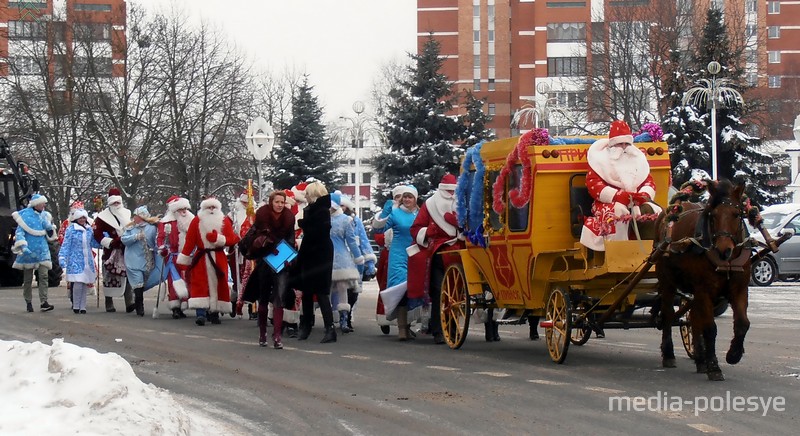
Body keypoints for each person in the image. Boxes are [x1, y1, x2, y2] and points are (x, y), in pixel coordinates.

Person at [580, 120, 663, 251]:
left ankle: (650, 250)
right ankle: (619, 250)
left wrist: (644, 195)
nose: (624, 147)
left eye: (626, 143)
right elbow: (594, 185)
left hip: (635, 200)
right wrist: (618, 196)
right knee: (619, 211)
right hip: (608, 202)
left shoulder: (638, 160)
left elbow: (648, 181)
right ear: (612, 144)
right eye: (620, 144)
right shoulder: (600, 161)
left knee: (652, 209)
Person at [407, 174, 463, 344]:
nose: (451, 194)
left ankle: (452, 328)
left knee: (458, 293)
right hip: (439, 252)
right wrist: (429, 232)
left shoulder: (462, 201)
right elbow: (416, 228)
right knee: (440, 292)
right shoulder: (431, 204)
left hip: (460, 252)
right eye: (448, 191)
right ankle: (439, 329)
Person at [242, 190, 296, 348]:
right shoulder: (262, 216)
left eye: (282, 202)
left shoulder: (289, 218)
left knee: (279, 297)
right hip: (264, 260)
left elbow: (291, 240)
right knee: (263, 297)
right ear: (271, 202)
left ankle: (277, 336)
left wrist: (289, 257)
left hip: (281, 260)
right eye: (277, 202)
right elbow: (252, 238)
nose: (279, 205)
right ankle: (263, 333)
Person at [176, 196, 240, 326]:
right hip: (201, 257)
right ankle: (201, 313)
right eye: (208, 207)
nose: (211, 210)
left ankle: (215, 312)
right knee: (200, 284)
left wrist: (218, 239)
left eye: (214, 207)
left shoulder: (224, 221)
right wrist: (185, 256)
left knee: (219, 284)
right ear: (204, 208)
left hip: (219, 257)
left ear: (218, 208)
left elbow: (232, 239)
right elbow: (190, 240)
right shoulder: (197, 221)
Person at [372, 185, 419, 340]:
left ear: (415, 199)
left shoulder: (420, 214)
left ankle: (408, 325)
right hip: (398, 255)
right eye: (404, 196)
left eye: (409, 197)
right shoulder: (395, 213)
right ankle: (402, 329)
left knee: (413, 291)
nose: (406, 199)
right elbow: (379, 230)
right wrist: (385, 214)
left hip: (414, 254)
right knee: (400, 291)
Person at [294, 181, 336, 343]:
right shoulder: (313, 209)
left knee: (321, 292)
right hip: (311, 252)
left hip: (320, 253)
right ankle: (306, 325)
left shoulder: (322, 210)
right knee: (307, 291)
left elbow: (320, 232)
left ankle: (329, 328)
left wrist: (303, 223)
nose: (305, 196)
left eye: (307, 193)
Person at [12, 193, 57, 312]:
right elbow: (19, 232)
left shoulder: (45, 216)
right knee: (27, 279)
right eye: (43, 203)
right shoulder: (25, 216)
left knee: (44, 276)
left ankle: (44, 301)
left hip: (42, 251)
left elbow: (50, 232)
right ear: (36, 204)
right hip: (29, 251)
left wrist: (50, 230)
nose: (44, 205)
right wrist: (23, 245)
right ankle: (28, 301)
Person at [93, 188, 134, 313]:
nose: (116, 205)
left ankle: (129, 301)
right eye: (114, 203)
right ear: (110, 203)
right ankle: (109, 301)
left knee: (127, 275)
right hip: (111, 250)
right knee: (109, 275)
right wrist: (110, 242)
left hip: (125, 249)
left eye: (118, 202)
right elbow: (97, 234)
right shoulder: (102, 217)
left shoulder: (127, 213)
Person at [339, 193, 376, 332]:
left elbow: (364, 241)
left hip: (356, 261)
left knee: (354, 292)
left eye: (343, 206)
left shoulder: (356, 222)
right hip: (340, 260)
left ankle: (347, 316)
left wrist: (370, 261)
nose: (341, 208)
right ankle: (342, 319)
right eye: (339, 205)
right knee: (342, 291)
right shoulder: (334, 220)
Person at [328, 192, 364, 334]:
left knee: (342, 287)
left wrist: (358, 258)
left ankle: (344, 319)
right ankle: (328, 320)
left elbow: (351, 241)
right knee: (325, 290)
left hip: (341, 258)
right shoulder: (322, 219)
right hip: (325, 256)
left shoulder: (346, 220)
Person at [156, 196, 194, 319]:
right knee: (174, 281)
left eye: (185, 208)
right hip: (172, 256)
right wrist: (162, 248)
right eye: (180, 209)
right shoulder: (166, 222)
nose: (184, 211)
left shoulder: (191, 219)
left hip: (189, 255)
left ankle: (186, 302)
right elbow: (160, 238)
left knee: (189, 279)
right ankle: (176, 307)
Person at [58, 209, 101, 314]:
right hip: (75, 259)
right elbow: (66, 244)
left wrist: (102, 239)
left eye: (84, 218)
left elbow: (93, 243)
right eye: (80, 218)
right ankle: (76, 305)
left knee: (85, 283)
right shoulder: (71, 229)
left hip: (87, 260)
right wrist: (62, 257)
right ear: (76, 219)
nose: (82, 220)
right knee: (77, 283)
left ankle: (83, 306)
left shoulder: (89, 229)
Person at [121, 206, 159, 317]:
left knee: (143, 283)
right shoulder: (130, 229)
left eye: (136, 216)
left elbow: (156, 241)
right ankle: (139, 307)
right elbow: (124, 240)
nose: (134, 218)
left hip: (146, 260)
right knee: (138, 283)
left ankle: (137, 301)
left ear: (141, 217)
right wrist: (136, 236)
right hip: (133, 261)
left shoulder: (151, 229)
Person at [227, 191, 255, 318]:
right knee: (237, 278)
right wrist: (234, 239)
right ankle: (234, 303)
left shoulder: (255, 214)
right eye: (244, 202)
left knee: (251, 278)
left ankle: (252, 308)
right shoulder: (232, 215)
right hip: (237, 252)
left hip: (252, 251)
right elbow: (227, 230)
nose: (245, 204)